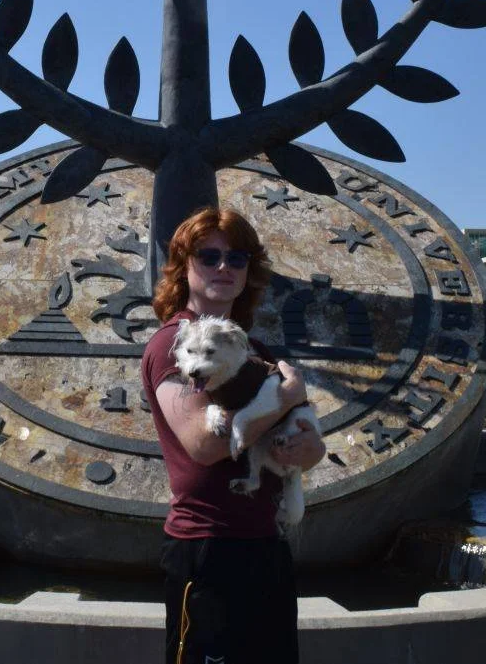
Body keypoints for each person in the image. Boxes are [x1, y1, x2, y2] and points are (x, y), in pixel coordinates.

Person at [141, 207, 325, 664]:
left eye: (237, 258)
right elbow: (204, 445)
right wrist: (284, 399)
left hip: (266, 545)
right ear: (184, 266)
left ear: (249, 271)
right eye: (208, 256)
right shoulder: (174, 345)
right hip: (207, 551)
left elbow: (305, 444)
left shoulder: (253, 350)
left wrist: (310, 448)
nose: (223, 267)